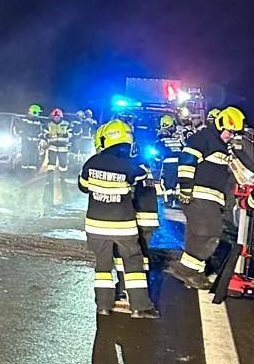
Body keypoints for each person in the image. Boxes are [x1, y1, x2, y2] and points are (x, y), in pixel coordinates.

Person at [78, 119, 157, 318]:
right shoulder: (129, 166)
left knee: (102, 266)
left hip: (95, 226)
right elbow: (141, 179)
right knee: (133, 263)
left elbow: (82, 186)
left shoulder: (91, 162)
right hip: (123, 225)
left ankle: (103, 306)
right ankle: (140, 307)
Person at [171, 106, 251, 289]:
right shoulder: (204, 138)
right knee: (211, 232)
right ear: (220, 124)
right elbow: (186, 161)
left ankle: (193, 272)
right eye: (229, 131)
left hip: (210, 197)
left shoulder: (222, 146)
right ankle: (187, 269)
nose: (230, 135)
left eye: (234, 133)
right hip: (199, 194)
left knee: (196, 235)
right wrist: (185, 188)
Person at [41, 107, 72, 208]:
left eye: (58, 117)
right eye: (55, 117)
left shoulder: (67, 124)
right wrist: (47, 136)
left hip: (63, 148)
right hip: (52, 147)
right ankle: (50, 176)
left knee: (63, 166)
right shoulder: (49, 124)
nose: (57, 118)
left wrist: (66, 135)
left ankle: (63, 177)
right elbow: (44, 133)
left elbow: (71, 133)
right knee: (51, 164)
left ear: (61, 117)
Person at [17, 104, 44, 171]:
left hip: (35, 143)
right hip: (26, 141)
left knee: (33, 157)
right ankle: (23, 172)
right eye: (38, 112)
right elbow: (19, 129)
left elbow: (41, 131)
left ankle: (31, 172)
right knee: (25, 155)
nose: (39, 114)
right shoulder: (24, 120)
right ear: (33, 112)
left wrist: (40, 138)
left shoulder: (39, 121)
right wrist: (22, 135)